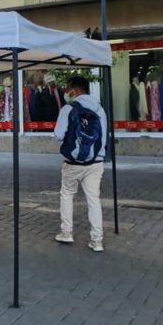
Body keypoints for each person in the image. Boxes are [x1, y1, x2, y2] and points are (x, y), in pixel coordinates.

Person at [53, 76, 107, 252]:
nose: (66, 93)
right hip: (96, 162)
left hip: (73, 162)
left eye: (67, 89)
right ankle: (97, 240)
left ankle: (66, 232)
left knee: (67, 194)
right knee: (93, 200)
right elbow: (103, 137)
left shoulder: (68, 109)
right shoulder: (100, 109)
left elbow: (59, 134)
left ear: (74, 90)